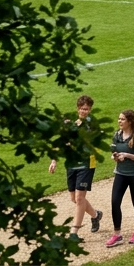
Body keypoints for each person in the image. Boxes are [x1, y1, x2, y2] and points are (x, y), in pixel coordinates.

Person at [48, 95, 101, 242]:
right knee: (74, 198)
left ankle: (74, 233)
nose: (85, 111)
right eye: (83, 109)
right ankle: (96, 215)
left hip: (86, 164)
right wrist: (54, 161)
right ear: (78, 108)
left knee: (79, 198)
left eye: (88, 109)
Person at [105, 109, 134, 247]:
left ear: (130, 121)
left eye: (122, 119)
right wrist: (115, 157)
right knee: (115, 201)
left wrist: (127, 155)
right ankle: (117, 234)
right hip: (120, 173)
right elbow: (113, 152)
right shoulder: (117, 136)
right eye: (119, 119)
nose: (119, 121)